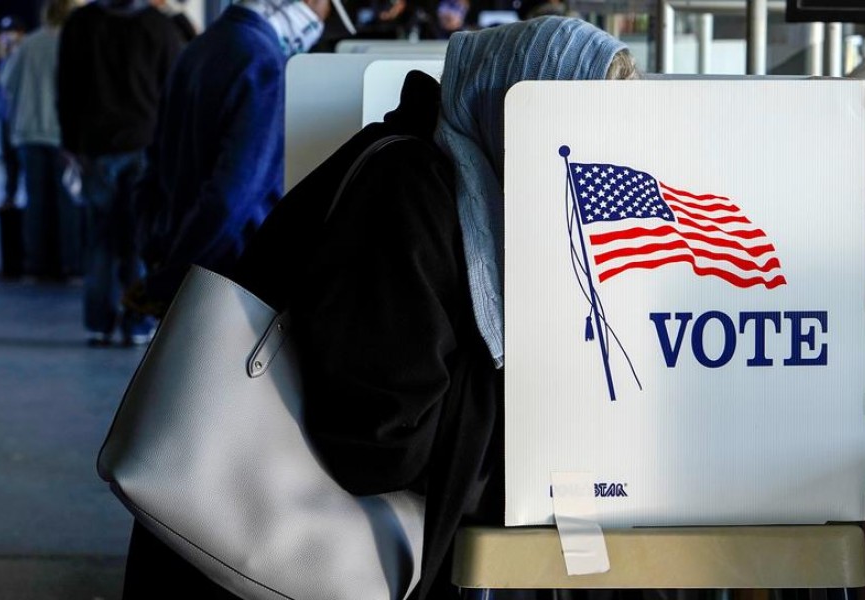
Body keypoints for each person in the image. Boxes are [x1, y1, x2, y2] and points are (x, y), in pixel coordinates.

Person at [231, 16, 637, 600]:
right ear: (509, 110)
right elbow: (377, 443)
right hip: (275, 550)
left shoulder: (463, 193)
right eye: (576, 132)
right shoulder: (407, 192)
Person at [124, 0, 329, 319]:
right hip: (231, 272)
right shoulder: (264, 60)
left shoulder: (199, 48)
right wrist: (176, 272)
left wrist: (159, 249)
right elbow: (232, 194)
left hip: (191, 258)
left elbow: (152, 170)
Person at [57, 0, 183, 346]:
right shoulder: (159, 26)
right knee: (139, 236)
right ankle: (138, 321)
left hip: (95, 147)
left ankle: (98, 322)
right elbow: (173, 92)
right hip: (145, 143)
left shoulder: (81, 24)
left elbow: (66, 88)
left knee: (100, 236)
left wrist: (69, 144)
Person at [0, 0, 82, 281]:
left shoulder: (28, 44)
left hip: (29, 132)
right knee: (66, 201)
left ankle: (37, 264)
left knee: (36, 202)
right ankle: (68, 263)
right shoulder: (74, 43)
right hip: (62, 133)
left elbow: (7, 82)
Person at [0, 15, 25, 208]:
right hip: (6, 116)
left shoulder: (25, 54)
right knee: (9, 159)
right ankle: (10, 194)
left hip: (23, 117)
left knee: (24, 159)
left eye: (12, 32)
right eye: (3, 33)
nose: (7, 37)